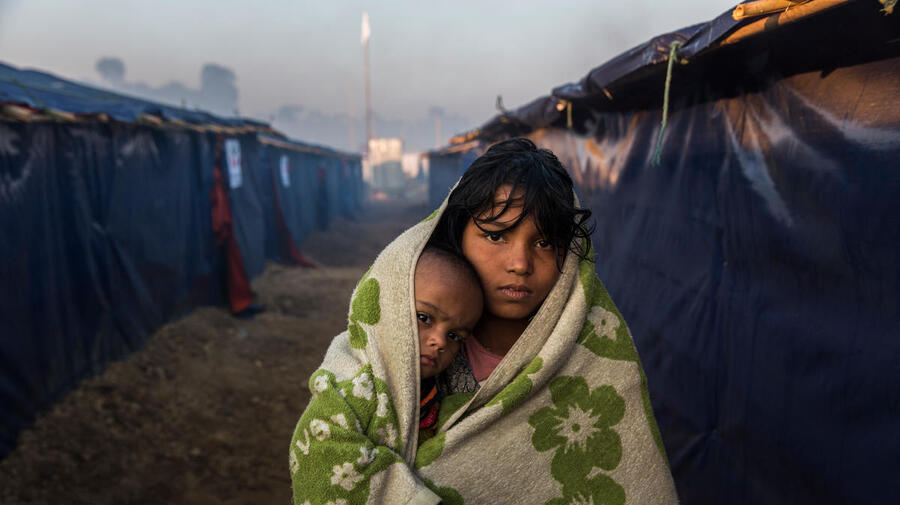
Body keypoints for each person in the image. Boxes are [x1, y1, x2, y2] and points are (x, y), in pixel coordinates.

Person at [290, 138, 677, 505]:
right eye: (496, 236)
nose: (520, 263)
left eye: (544, 243)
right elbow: (323, 444)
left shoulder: (598, 359)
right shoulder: (396, 336)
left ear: (570, 256)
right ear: (457, 233)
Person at [412, 246, 483, 443]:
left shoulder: (444, 398)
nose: (440, 342)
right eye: (424, 318)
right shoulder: (354, 379)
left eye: (454, 335)